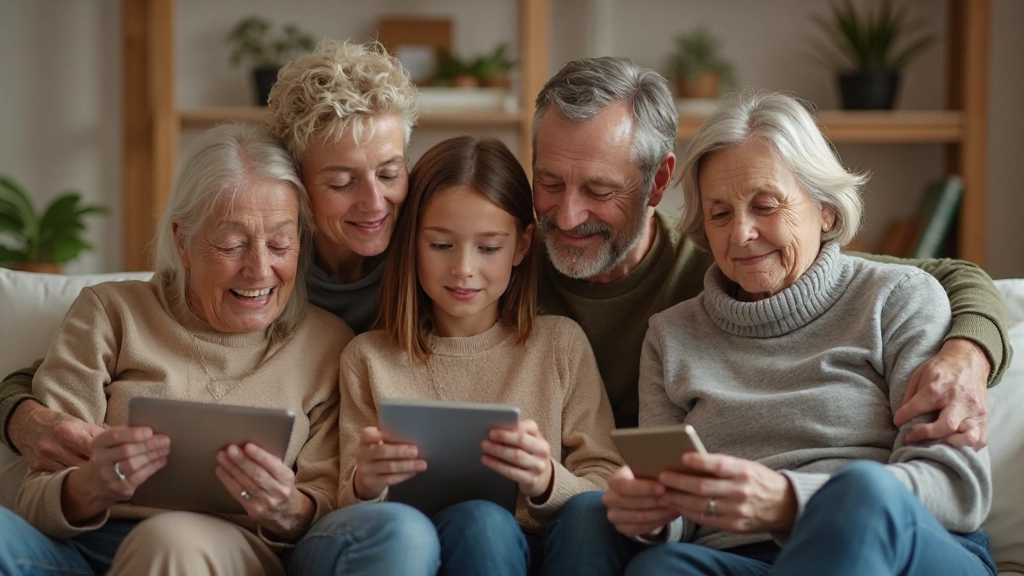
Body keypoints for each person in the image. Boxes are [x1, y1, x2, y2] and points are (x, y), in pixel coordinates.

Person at [599, 90, 995, 576]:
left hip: (899, 548)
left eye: (765, 205)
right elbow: (677, 504)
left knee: (865, 491)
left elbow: (959, 487)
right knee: (659, 567)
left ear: (826, 209)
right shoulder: (670, 335)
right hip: (745, 558)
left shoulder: (898, 299)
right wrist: (653, 513)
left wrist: (791, 502)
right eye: (720, 213)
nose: (740, 232)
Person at [0, 39, 418, 485]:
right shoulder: (257, 265)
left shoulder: (430, 257)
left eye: (391, 173)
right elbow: (99, 350)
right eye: (341, 182)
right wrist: (19, 415)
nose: (376, 202)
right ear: (292, 185)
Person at [531, 56, 1009, 436]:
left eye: (599, 190)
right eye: (549, 182)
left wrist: (966, 355)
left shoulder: (728, 261)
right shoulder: (496, 264)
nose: (568, 216)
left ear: (657, 183)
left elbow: (951, 277)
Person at [0, 122, 353, 575]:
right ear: (183, 241)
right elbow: (36, 494)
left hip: (225, 553)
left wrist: (287, 508)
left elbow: (327, 508)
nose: (260, 268)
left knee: (170, 541)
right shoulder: (111, 313)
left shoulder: (325, 345)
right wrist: (91, 486)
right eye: (232, 244)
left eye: (280, 242)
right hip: (84, 551)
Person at [286, 136, 623, 576]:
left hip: (540, 548)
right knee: (481, 520)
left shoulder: (560, 345)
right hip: (421, 551)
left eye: (488, 248)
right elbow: (348, 500)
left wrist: (547, 480)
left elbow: (608, 479)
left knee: (546, 516)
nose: (463, 268)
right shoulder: (368, 357)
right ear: (411, 242)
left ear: (522, 246)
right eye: (441, 245)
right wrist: (365, 483)